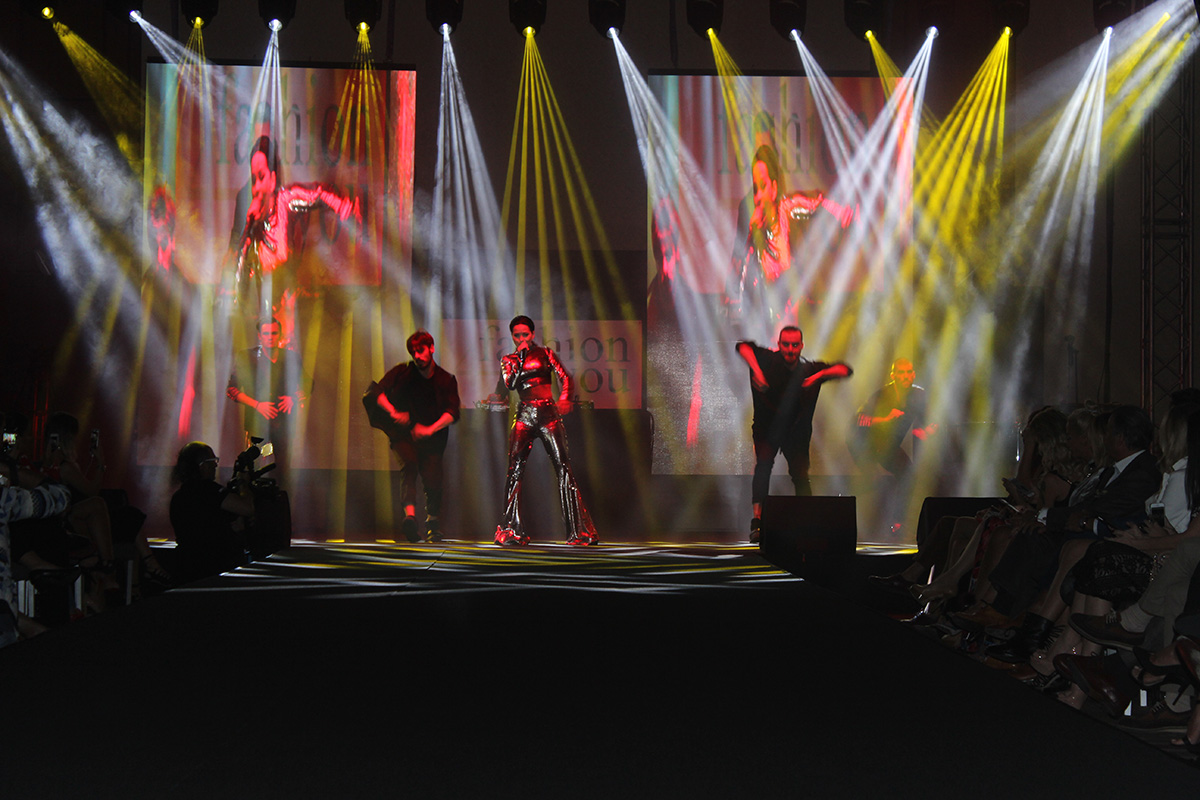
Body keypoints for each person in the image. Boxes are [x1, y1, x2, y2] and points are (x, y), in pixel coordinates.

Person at [232, 135, 361, 343]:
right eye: (253, 179)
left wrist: (342, 205)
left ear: (273, 179)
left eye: (261, 177)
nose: (256, 187)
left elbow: (318, 194)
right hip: (263, 305)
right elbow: (239, 270)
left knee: (287, 344)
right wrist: (248, 228)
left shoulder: (286, 200)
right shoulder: (251, 221)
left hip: (288, 298)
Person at [736, 325, 853, 542]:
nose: (790, 350)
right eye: (786, 345)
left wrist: (819, 376)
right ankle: (757, 523)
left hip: (796, 432)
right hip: (767, 428)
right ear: (779, 344)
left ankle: (806, 521)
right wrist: (757, 372)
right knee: (763, 468)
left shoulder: (808, 369)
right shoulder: (768, 360)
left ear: (801, 346)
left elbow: (845, 370)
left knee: (800, 475)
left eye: (795, 345)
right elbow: (743, 347)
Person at [495, 316, 597, 547]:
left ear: (532, 334)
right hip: (524, 414)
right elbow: (510, 384)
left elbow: (566, 377)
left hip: (548, 414)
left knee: (563, 467)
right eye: (517, 335)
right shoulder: (508, 360)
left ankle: (579, 531)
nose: (521, 338)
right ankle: (511, 530)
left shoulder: (546, 353)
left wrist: (565, 397)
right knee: (515, 469)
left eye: (525, 334)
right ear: (512, 336)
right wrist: (521, 358)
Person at [373, 330, 461, 543]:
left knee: (433, 478)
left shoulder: (445, 379)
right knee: (409, 465)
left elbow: (452, 412)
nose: (417, 356)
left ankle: (433, 523)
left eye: (421, 350)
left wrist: (430, 429)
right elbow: (376, 391)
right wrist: (393, 412)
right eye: (413, 352)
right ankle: (410, 518)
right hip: (405, 434)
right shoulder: (402, 372)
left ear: (431, 348)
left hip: (433, 438)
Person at [227, 317, 307, 478]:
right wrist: (257, 405)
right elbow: (232, 389)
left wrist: (293, 398)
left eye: (274, 333)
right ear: (259, 335)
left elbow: (307, 385)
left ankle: (280, 490)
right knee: (253, 464)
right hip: (256, 423)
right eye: (266, 334)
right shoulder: (246, 357)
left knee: (283, 467)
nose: (270, 337)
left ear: (280, 335)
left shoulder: (290, 357)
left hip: (283, 423)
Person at [169, 442, 255, 583]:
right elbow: (247, 508)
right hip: (214, 566)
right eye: (213, 461)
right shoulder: (210, 491)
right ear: (202, 465)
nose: (215, 465)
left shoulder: (179, 496)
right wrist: (243, 484)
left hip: (186, 565)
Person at [852, 358, 937, 476]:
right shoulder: (882, 395)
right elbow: (858, 421)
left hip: (901, 448)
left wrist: (927, 431)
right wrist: (885, 419)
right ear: (893, 376)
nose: (906, 376)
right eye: (901, 373)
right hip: (878, 447)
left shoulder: (920, 394)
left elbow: (936, 419)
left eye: (908, 372)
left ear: (913, 375)